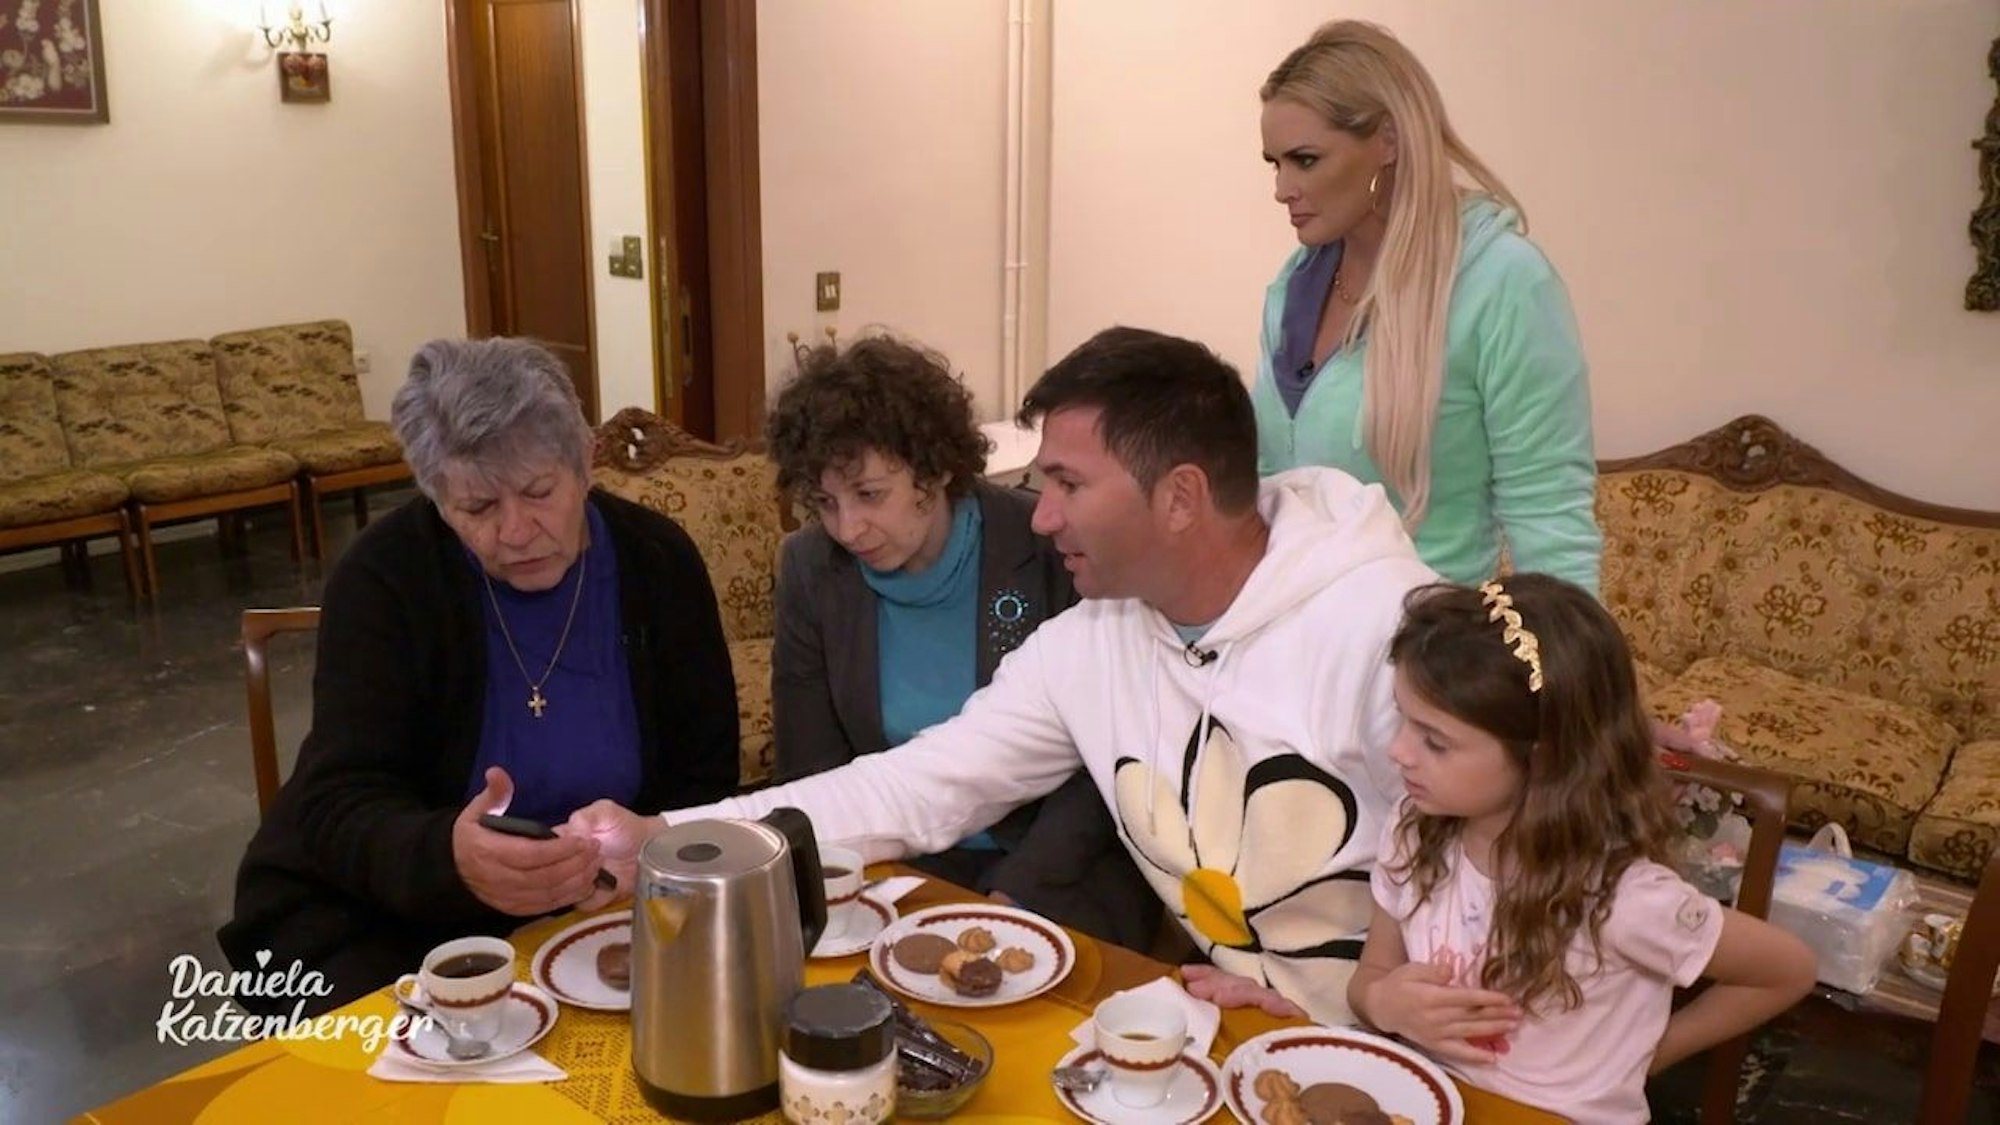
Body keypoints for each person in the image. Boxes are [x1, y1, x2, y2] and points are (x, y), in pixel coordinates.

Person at [565, 326, 1440, 1025]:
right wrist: (667, 835)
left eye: (1067, 484)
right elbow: (914, 786)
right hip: (1248, 1024)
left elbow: (1498, 879)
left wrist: (1352, 1006)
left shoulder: (1388, 629)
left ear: (1179, 497)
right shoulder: (1091, 642)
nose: (1042, 515)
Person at [217, 337, 740, 1015]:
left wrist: (644, 853)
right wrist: (449, 858)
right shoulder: (383, 578)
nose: (515, 531)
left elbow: (705, 774)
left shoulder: (658, 562)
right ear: (437, 499)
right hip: (392, 912)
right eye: (478, 507)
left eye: (538, 492)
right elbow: (338, 801)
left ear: (586, 461)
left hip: (608, 904)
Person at [1349, 574, 1815, 1121]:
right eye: (1402, 717)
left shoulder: (1621, 897)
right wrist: (1382, 1003)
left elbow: (1788, 970)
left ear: (1543, 757)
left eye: (1435, 741)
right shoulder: (1414, 829)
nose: (1398, 750)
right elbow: (1371, 975)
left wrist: (1644, 1058)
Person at [765, 333, 1157, 950]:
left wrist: (1015, 893)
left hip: (1057, 860)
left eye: (869, 495)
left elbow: (1102, 761)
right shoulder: (811, 568)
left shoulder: (1047, 545)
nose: (848, 528)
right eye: (825, 503)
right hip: (892, 862)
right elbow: (812, 764)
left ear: (936, 467)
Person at [1256, 20, 1602, 593]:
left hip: (1428, 636)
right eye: (1275, 163)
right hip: (1294, 628)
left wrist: (1569, 653)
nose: (1281, 189)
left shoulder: (1503, 282)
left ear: (1388, 141)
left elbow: (1550, 517)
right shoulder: (1295, 286)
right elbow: (1270, 492)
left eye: (1306, 160)